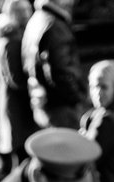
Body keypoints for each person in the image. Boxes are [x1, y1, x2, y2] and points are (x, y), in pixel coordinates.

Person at [22, 0, 87, 129]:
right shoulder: (55, 25)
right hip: (61, 107)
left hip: (41, 102)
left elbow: (26, 65)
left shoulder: (36, 19)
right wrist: (79, 98)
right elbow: (60, 71)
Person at [0, 0, 35, 175]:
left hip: (12, 99)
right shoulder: (11, 40)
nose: (27, 14)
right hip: (16, 102)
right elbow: (15, 78)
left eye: (27, 10)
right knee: (19, 149)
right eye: (22, 11)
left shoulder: (10, 37)